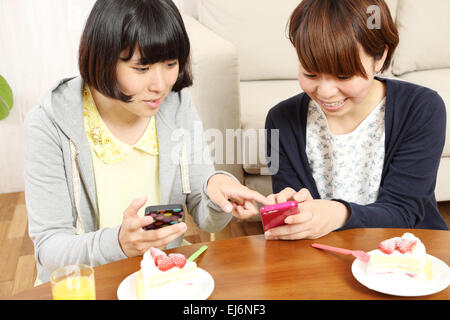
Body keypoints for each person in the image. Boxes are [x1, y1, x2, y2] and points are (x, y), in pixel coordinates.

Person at [24, 0, 270, 283]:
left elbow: (205, 217)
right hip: (86, 285)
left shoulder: (176, 105)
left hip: (157, 281)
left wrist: (218, 193)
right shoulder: (50, 123)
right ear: (102, 58)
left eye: (170, 64)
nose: (161, 85)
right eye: (141, 69)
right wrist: (118, 243)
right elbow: (50, 248)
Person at [264, 0, 448, 241]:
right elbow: (295, 216)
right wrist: (288, 209)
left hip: (409, 257)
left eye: (343, 75)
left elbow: (404, 212)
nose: (326, 92)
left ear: (380, 56)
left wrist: (338, 214)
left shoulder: (421, 109)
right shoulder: (281, 120)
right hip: (323, 257)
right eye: (310, 73)